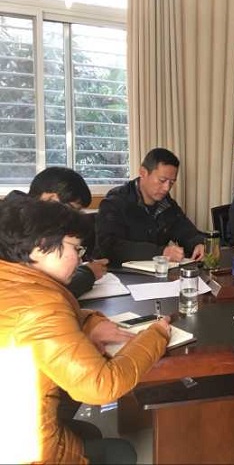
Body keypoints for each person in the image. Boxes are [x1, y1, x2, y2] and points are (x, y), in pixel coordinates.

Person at [0, 198, 171, 464]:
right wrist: (157, 335)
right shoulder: (38, 307)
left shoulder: (13, 281)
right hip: (22, 450)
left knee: (90, 432)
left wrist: (90, 323)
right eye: (75, 248)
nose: (80, 258)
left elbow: (52, 320)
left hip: (13, 423)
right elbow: (101, 386)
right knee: (123, 453)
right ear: (41, 247)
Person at [4, 166, 109, 298]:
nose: (73, 217)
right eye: (72, 209)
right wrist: (88, 274)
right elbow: (39, 290)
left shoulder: (21, 217)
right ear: (50, 199)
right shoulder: (15, 228)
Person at [95, 148, 205, 265]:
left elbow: (187, 232)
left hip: (155, 272)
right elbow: (109, 246)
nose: (166, 188)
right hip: (116, 272)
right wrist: (161, 252)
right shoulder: (116, 202)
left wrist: (198, 244)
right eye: (162, 180)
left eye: (172, 182)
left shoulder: (167, 204)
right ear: (143, 173)